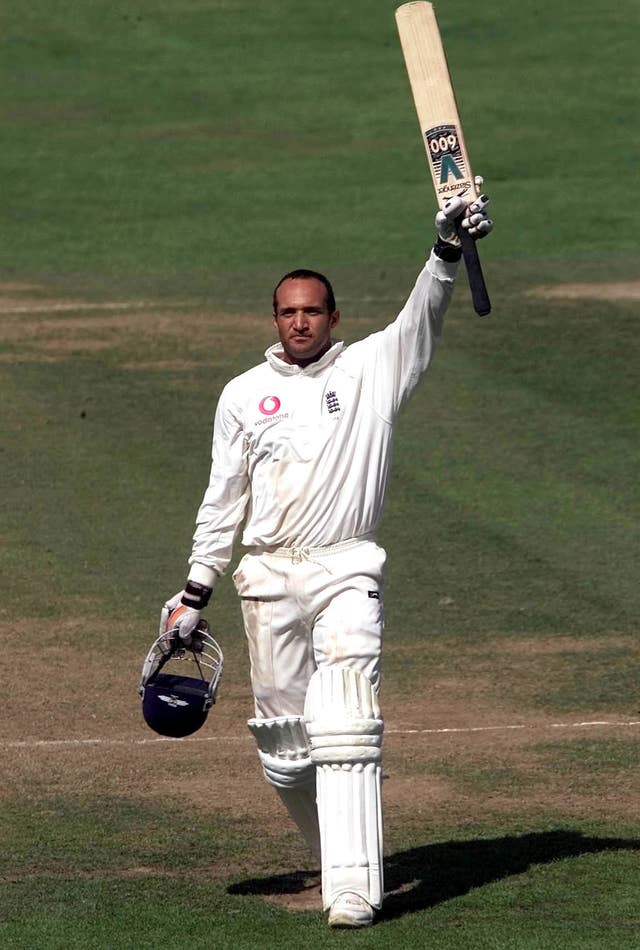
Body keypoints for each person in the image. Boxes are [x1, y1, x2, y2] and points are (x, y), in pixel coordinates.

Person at [160, 190, 493, 928]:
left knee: (346, 717)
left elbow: (422, 318)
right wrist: (194, 591)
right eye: (289, 312)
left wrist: (444, 250)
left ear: (334, 317)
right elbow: (223, 499)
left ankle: (353, 891)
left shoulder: (372, 369)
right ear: (275, 319)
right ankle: (336, 859)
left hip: (347, 568)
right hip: (268, 576)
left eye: (314, 310)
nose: (302, 321)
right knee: (284, 747)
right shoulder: (244, 395)